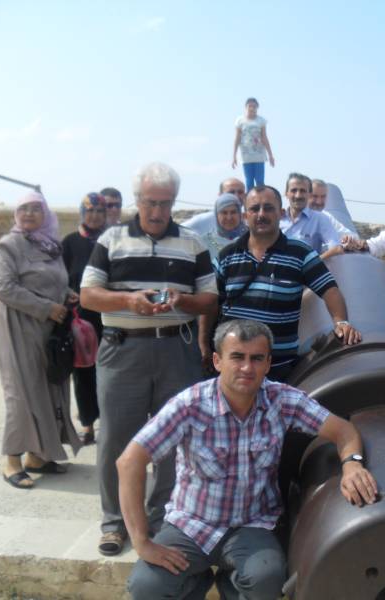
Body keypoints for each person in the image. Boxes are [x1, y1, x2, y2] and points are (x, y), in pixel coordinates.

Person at [122, 319, 377, 600]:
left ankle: (233, 587)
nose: (247, 367)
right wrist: (141, 541)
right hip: (192, 524)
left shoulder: (283, 400)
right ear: (217, 361)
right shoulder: (189, 405)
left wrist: (352, 464)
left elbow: (344, 431)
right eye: (237, 357)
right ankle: (195, 581)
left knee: (266, 578)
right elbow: (130, 462)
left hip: (251, 523)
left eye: (256, 358)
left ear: (268, 364)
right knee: (147, 586)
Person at [80, 162, 219, 556]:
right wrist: (129, 301)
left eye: (165, 203)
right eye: (150, 202)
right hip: (122, 349)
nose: (157, 211)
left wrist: (182, 300)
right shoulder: (111, 239)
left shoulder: (192, 242)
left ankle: (163, 519)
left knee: (176, 439)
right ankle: (115, 522)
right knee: (115, 438)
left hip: (176, 349)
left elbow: (210, 299)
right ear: (137, 200)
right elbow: (88, 295)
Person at [215, 185, 361, 382]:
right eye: (254, 209)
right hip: (234, 364)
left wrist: (341, 322)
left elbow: (330, 290)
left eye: (268, 208)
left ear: (281, 213)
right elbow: (213, 303)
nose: (261, 214)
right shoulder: (226, 256)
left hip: (278, 366)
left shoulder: (300, 254)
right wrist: (205, 345)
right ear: (245, 216)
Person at [0, 192, 81, 489]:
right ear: (16, 214)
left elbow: (53, 280)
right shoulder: (8, 245)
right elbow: (4, 287)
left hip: (49, 330)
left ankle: (37, 457)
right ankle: (12, 462)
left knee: (49, 389)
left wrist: (66, 294)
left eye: (35, 209)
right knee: (22, 391)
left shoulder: (50, 246)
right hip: (20, 328)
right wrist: (46, 307)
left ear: (45, 215)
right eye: (23, 208)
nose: (29, 213)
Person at [61, 192, 106, 445]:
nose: (95, 216)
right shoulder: (69, 243)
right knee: (83, 372)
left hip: (108, 317)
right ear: (82, 213)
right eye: (90, 211)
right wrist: (68, 294)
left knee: (108, 370)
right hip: (81, 319)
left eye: (100, 211)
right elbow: (60, 277)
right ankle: (88, 425)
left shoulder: (110, 240)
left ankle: (109, 422)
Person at [280, 173, 343, 260]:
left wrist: (312, 263)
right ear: (286, 193)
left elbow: (336, 248)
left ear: (309, 194)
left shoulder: (319, 219)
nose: (298, 195)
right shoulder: (277, 218)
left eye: (303, 191)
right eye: (294, 190)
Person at [232, 98, 275, 192]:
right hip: (246, 156)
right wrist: (234, 156)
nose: (252, 108)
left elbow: (264, 137)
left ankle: (261, 198)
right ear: (246, 107)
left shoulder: (261, 121)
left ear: (257, 108)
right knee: (249, 181)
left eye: (254, 106)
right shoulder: (240, 120)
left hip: (259, 155)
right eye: (250, 106)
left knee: (260, 181)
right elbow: (237, 138)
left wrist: (270, 155)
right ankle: (249, 199)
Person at [182, 177, 246, 236]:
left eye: (240, 192)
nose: (236, 196)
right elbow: (179, 231)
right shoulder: (203, 221)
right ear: (220, 195)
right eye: (231, 192)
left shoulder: (248, 221)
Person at [199, 192, 248, 257]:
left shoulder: (252, 238)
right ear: (217, 215)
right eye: (224, 213)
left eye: (233, 212)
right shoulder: (203, 242)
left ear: (240, 214)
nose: (229, 218)